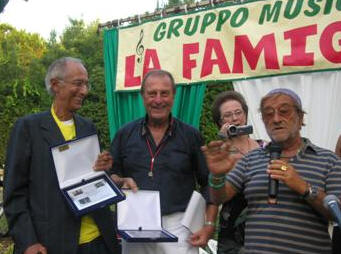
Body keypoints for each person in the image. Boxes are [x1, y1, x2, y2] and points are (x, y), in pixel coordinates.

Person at [202, 88, 341, 254]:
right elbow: (220, 197)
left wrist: (304, 188)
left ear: (300, 117)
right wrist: (217, 175)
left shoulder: (328, 160)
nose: (276, 119)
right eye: (268, 114)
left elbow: (337, 213)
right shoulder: (250, 159)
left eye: (284, 112)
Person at [4, 57, 120, 254]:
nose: (84, 91)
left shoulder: (88, 127)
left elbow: (91, 178)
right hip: (53, 243)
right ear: (56, 85)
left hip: (98, 240)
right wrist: (28, 241)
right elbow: (14, 193)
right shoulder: (28, 128)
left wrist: (104, 170)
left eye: (86, 83)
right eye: (78, 83)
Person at [106, 69, 217, 254]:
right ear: (143, 96)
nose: (158, 100)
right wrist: (120, 180)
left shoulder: (191, 136)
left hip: (179, 226)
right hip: (135, 223)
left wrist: (209, 225)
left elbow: (208, 183)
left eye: (164, 93)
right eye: (152, 94)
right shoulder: (124, 134)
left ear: (173, 96)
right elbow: (110, 175)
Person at [211, 91, 265, 254]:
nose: (235, 119)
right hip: (233, 228)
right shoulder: (220, 153)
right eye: (228, 115)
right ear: (220, 123)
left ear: (246, 115)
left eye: (238, 112)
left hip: (264, 223)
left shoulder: (265, 147)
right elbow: (215, 191)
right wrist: (224, 142)